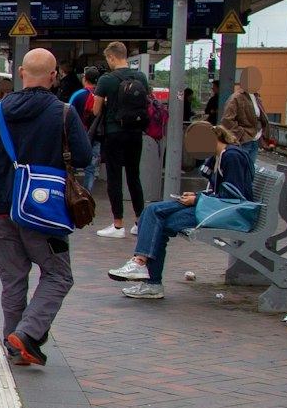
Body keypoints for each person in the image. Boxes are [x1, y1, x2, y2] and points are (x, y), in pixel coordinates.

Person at [0, 48, 94, 367]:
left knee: (13, 280)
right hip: (45, 212)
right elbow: (82, 157)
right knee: (58, 275)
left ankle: (15, 346)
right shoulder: (64, 112)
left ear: (21, 73)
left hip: (3, 211)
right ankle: (26, 336)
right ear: (54, 77)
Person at [107, 125, 255, 299]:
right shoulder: (221, 155)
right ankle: (144, 270)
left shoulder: (231, 156)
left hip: (226, 212)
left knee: (157, 221)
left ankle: (146, 273)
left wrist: (197, 199)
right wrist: (197, 196)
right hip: (214, 208)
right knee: (153, 212)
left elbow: (232, 195)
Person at [90, 41, 146, 238]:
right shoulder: (140, 77)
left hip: (114, 132)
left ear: (112, 57)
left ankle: (118, 224)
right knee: (134, 176)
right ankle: (139, 221)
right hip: (136, 132)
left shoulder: (107, 80)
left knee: (114, 177)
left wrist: (106, 103)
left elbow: (95, 110)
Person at [219, 68, 276, 170]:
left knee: (249, 170)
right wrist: (241, 134)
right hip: (244, 140)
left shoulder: (256, 97)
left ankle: (246, 185)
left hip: (255, 139)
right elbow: (227, 120)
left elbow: (260, 118)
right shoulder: (236, 98)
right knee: (240, 169)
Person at [67, 65, 103, 191]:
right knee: (91, 167)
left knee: (71, 164)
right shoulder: (101, 96)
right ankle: (87, 193)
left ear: (85, 79)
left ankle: (71, 190)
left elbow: (68, 112)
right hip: (96, 134)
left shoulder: (78, 94)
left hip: (78, 134)